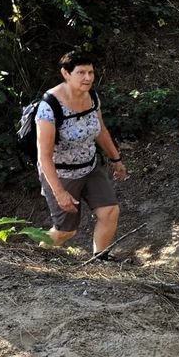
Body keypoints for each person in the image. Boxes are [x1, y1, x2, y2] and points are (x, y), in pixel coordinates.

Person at [35, 51, 127, 257]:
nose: (88, 78)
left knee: (110, 211)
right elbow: (44, 156)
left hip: (90, 166)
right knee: (65, 231)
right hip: (61, 174)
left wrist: (116, 159)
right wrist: (59, 193)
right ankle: (36, 260)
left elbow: (101, 130)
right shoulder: (49, 107)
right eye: (81, 73)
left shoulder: (92, 96)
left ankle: (100, 258)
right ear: (65, 74)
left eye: (91, 72)